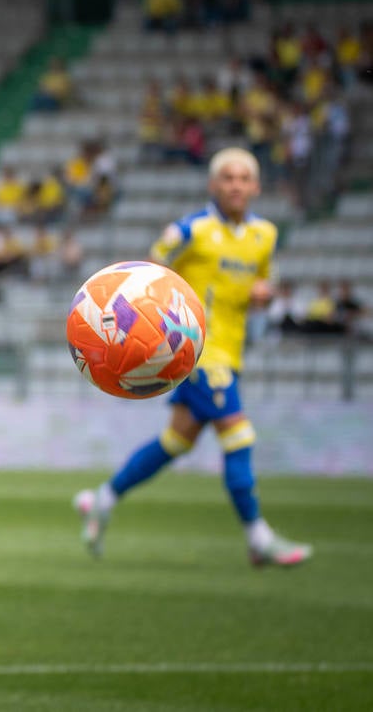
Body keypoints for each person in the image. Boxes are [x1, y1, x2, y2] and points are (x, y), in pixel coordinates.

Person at [74, 147, 312, 568]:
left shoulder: (265, 236)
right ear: (213, 185)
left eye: (243, 178)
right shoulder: (191, 231)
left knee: (176, 441)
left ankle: (102, 499)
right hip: (197, 353)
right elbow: (147, 271)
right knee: (239, 437)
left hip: (231, 352)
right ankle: (258, 538)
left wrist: (264, 294)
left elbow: (261, 285)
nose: (235, 185)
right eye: (227, 178)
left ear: (255, 187)